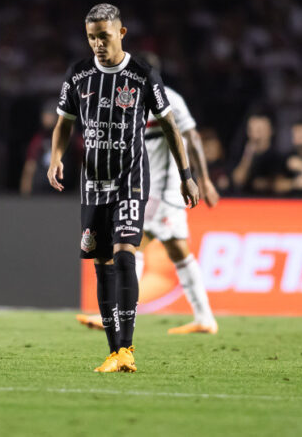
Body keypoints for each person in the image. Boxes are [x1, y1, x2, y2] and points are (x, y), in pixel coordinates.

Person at [48, 4, 199, 373]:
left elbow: (171, 127)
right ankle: (115, 352)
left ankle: (128, 348)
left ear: (121, 33)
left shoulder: (142, 75)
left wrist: (187, 174)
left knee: (126, 254)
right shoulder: (79, 74)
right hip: (93, 184)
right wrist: (56, 158)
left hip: (130, 180)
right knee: (101, 264)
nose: (98, 43)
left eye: (104, 35)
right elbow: (63, 123)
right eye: (91, 37)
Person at [76, 52, 219, 335]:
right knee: (178, 250)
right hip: (146, 186)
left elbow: (191, 137)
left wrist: (204, 179)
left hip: (164, 189)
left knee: (132, 244)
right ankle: (204, 318)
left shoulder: (171, 100)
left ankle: (116, 314)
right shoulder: (129, 98)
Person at [231, 112, 281, 194]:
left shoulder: (277, 156)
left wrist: (267, 184)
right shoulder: (240, 153)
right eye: (252, 130)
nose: (256, 136)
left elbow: (280, 184)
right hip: (245, 201)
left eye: (260, 130)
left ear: (271, 130)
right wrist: (248, 155)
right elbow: (238, 181)